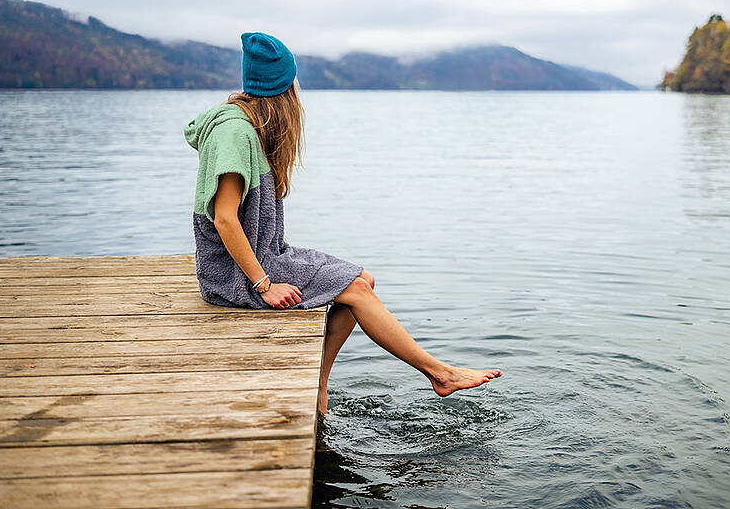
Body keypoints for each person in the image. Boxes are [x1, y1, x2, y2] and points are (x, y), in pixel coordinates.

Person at [184, 32, 502, 414]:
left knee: (361, 280)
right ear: (283, 88)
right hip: (235, 274)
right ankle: (440, 374)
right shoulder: (234, 133)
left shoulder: (247, 124)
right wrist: (264, 285)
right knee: (355, 290)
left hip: (265, 254)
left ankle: (320, 382)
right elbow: (224, 218)